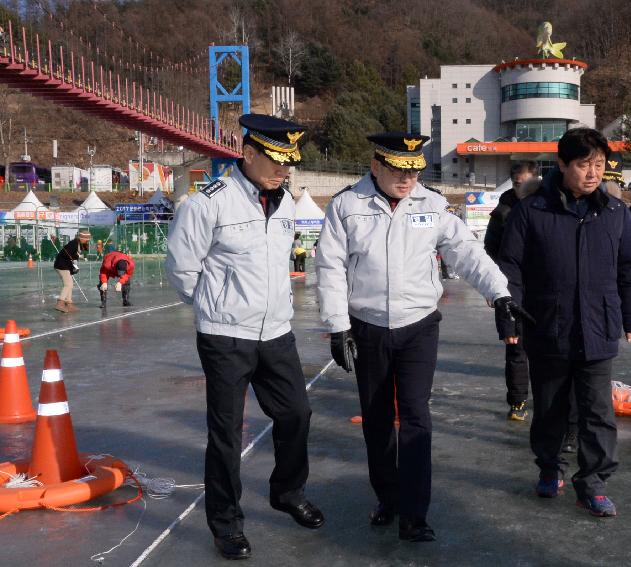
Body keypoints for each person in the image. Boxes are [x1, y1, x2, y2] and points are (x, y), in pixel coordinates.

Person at [316, 132, 511, 542]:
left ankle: (415, 514)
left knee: (416, 415)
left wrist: (500, 291)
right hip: (367, 327)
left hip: (419, 325)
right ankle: (388, 498)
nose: (407, 180)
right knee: (377, 419)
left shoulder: (433, 204)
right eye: (397, 170)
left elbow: (467, 252)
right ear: (376, 166)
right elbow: (330, 267)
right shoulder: (347, 206)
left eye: (414, 170)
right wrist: (338, 326)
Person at [166, 114, 324, 561]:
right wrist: (214, 308)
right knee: (226, 434)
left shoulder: (288, 203)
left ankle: (287, 492)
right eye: (275, 161)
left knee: (297, 414)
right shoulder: (208, 202)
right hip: (225, 337)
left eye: (288, 163)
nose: (283, 171)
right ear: (249, 152)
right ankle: (226, 524)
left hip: (276, 332)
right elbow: (181, 268)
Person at [497, 128, 631, 516]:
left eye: (598, 165)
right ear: (561, 164)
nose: (592, 173)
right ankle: (550, 468)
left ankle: (593, 482)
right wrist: (510, 319)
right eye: (583, 165)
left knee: (597, 412)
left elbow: (629, 266)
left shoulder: (615, 212)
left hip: (598, 327)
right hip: (548, 326)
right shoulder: (532, 211)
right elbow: (510, 268)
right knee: (550, 408)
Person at [484, 160, 538, 421]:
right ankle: (517, 401)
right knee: (515, 346)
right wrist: (493, 288)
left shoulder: (547, 207)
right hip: (511, 288)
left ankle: (550, 399)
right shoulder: (503, 212)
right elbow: (490, 251)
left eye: (527, 183)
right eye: (518, 183)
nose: (522, 188)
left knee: (548, 348)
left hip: (545, 290)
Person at [52, 230, 91, 313]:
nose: (88, 241)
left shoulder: (79, 244)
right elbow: (68, 254)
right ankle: (60, 303)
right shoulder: (73, 243)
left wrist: (77, 260)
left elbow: (79, 253)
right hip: (62, 265)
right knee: (68, 284)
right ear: (82, 238)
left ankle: (68, 303)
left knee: (70, 284)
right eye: (87, 239)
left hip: (66, 266)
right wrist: (76, 258)